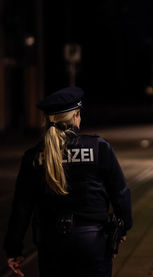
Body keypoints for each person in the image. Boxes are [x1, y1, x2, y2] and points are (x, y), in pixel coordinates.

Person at [3, 87, 133, 277]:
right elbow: (120, 193)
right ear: (75, 117)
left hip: (51, 244)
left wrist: (14, 249)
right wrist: (123, 226)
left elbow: (22, 207)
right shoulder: (99, 148)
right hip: (93, 242)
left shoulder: (34, 156)